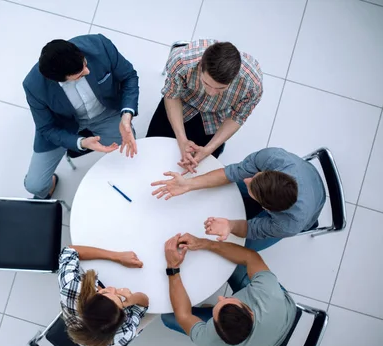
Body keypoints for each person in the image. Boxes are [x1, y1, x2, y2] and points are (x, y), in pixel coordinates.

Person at [150, 147, 326, 286]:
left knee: (241, 246)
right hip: (305, 172)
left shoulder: (288, 224)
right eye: (256, 177)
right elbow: (232, 173)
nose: (247, 180)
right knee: (232, 183)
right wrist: (188, 185)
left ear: (266, 208)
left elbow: (252, 229)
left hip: (312, 205)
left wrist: (231, 226)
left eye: (251, 188)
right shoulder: (272, 158)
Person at [23, 34, 140, 199]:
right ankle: (49, 187)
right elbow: (46, 128)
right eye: (80, 75)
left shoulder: (99, 45)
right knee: (35, 186)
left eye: (84, 64)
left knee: (128, 159)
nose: (88, 71)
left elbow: (129, 77)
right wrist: (81, 142)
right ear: (58, 80)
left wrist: (126, 116)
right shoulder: (33, 85)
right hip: (64, 126)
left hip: (105, 113)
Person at [161, 233, 296, 346]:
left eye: (219, 304)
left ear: (215, 329)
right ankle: (214, 310)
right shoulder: (267, 292)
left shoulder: (211, 342)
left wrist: (172, 266)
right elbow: (251, 257)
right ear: (250, 311)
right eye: (228, 299)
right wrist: (205, 243)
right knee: (231, 257)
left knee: (168, 317)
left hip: (267, 344)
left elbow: (183, 315)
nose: (220, 297)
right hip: (283, 311)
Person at [147, 39, 263, 173]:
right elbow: (172, 95)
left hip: (215, 117)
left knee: (199, 171)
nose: (212, 93)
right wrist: (182, 139)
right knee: (151, 151)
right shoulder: (182, 62)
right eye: (206, 84)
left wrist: (209, 149)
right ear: (200, 66)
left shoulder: (253, 85)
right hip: (181, 103)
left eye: (221, 88)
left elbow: (238, 117)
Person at [58, 246, 149, 346]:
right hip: (100, 340)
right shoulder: (124, 333)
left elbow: (69, 251)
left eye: (103, 293)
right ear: (123, 317)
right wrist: (133, 299)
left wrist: (117, 256)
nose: (112, 288)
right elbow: (144, 303)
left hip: (81, 329)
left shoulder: (70, 287)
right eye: (118, 300)